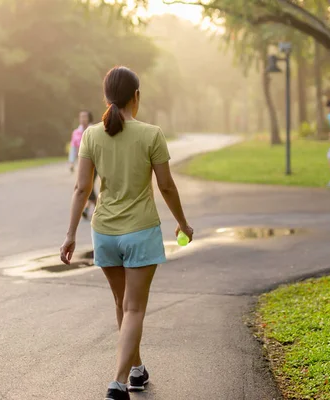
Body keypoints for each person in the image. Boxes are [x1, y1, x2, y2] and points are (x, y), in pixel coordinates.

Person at [60, 66, 193, 400]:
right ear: (136, 97)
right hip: (140, 232)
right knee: (134, 308)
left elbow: (81, 189)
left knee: (122, 304)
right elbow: (166, 185)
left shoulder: (91, 135)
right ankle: (118, 382)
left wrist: (71, 234)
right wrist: (183, 223)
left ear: (106, 98)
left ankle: (136, 370)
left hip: (104, 232)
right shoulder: (151, 134)